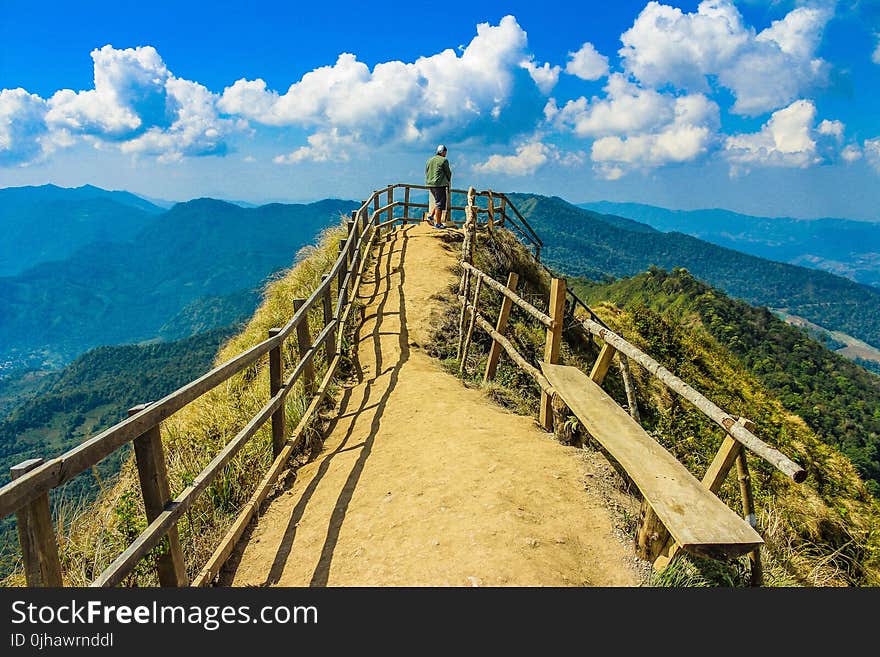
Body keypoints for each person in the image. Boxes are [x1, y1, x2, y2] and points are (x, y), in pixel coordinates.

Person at [425, 144, 452, 229]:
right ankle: (438, 223)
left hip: (430, 184)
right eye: (445, 152)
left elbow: (426, 171)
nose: (445, 154)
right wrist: (448, 180)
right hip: (439, 184)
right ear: (443, 152)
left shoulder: (429, 160)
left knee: (437, 201)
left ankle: (431, 217)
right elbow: (448, 173)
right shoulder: (444, 160)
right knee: (440, 204)